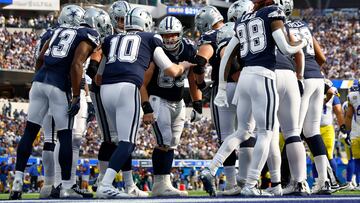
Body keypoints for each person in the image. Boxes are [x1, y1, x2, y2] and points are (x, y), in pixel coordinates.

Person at [201, 0, 308, 196]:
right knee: (266, 133)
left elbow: (227, 57)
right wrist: (302, 42)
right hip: (263, 76)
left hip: (245, 77)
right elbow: (285, 48)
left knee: (242, 131)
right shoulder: (272, 12)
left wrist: (223, 87)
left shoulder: (243, 19)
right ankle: (250, 184)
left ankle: (211, 167)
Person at [95, 7, 192, 198]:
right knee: (127, 143)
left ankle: (123, 185)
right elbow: (172, 70)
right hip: (128, 87)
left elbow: (98, 77)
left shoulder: (110, 39)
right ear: (146, 24)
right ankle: (105, 185)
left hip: (106, 90)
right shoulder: (150, 38)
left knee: (118, 141)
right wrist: (183, 66)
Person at [9, 5, 101, 199]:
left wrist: (38, 80)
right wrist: (76, 95)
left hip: (39, 81)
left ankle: (17, 182)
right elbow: (76, 64)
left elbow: (41, 58)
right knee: (65, 136)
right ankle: (66, 185)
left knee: (29, 133)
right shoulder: (88, 33)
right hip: (59, 85)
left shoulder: (55, 31)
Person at [140, 16, 202, 197]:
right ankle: (160, 184)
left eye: (174, 34)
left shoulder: (189, 48)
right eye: (166, 35)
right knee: (164, 141)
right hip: (159, 99)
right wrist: (147, 107)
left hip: (178, 101)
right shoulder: (156, 51)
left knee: (172, 143)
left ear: (180, 34)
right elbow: (142, 83)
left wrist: (197, 102)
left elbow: (192, 78)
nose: (170, 39)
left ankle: (164, 183)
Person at [287, 7, 331, 195]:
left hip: (301, 78)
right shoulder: (304, 25)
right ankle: (324, 180)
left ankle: (299, 181)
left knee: (294, 131)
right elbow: (322, 57)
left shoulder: (279, 25)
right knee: (312, 132)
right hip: (317, 77)